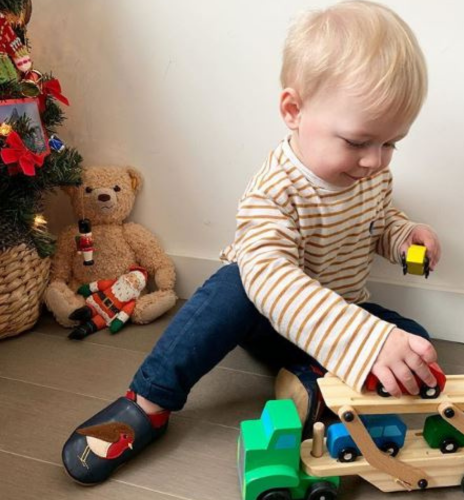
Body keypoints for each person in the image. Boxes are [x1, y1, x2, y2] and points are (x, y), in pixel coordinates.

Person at [62, 0, 441, 484]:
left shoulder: (370, 178)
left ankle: (306, 385)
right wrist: (365, 341)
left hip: (336, 317)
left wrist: (409, 237)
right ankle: (149, 402)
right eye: (358, 141)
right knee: (236, 282)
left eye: (391, 144)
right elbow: (270, 278)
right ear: (294, 111)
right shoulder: (275, 188)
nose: (375, 161)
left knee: (415, 344)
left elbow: (380, 223)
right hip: (269, 318)